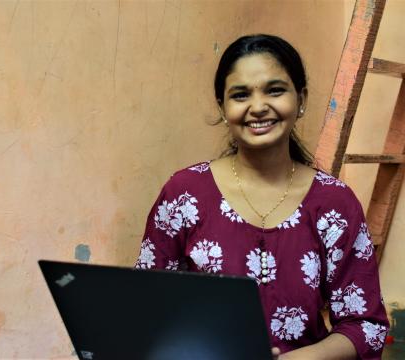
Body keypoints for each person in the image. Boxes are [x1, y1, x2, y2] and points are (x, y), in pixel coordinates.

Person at [135, 34, 389, 359]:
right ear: (223, 107)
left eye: (275, 90)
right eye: (240, 95)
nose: (257, 107)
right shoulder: (184, 195)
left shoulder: (334, 203)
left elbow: (364, 324)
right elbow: (148, 304)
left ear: (301, 99)